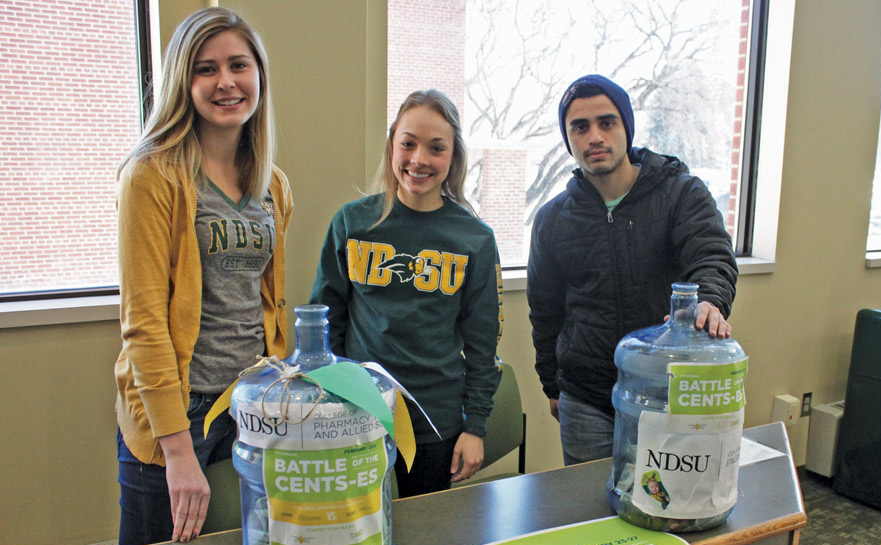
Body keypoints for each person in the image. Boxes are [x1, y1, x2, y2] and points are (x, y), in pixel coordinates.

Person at [114, 7, 292, 545]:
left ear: (259, 75)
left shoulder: (273, 184)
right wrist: (177, 450)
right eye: (206, 69)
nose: (226, 82)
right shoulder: (152, 175)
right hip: (178, 411)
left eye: (238, 65)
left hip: (250, 405)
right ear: (182, 82)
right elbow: (144, 323)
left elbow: (266, 302)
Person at [527, 74, 738, 465]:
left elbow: (712, 256)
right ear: (568, 138)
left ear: (626, 127)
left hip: (667, 392)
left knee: (667, 496)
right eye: (580, 127)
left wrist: (710, 300)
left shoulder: (682, 194)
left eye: (607, 122)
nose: (595, 137)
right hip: (586, 399)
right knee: (591, 500)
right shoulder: (552, 219)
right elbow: (544, 310)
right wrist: (551, 385)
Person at [310, 89, 503, 497]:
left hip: (436, 422)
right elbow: (324, 322)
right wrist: (330, 402)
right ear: (392, 146)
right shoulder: (352, 223)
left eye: (436, 148)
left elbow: (483, 344)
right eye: (408, 143)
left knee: (428, 529)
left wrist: (475, 427)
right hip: (358, 413)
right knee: (358, 528)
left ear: (453, 156)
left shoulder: (475, 239)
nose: (419, 159)